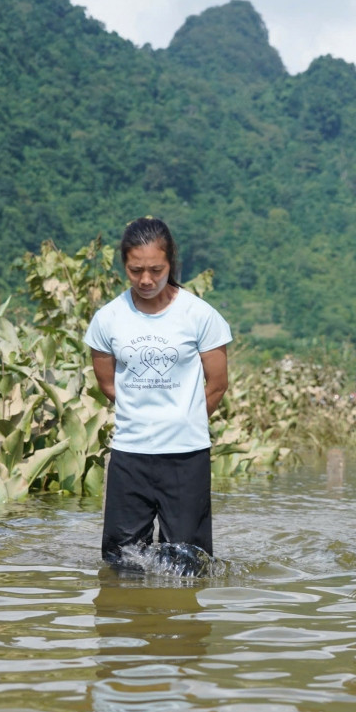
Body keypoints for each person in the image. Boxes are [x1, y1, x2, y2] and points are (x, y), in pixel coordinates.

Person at [84, 217, 232, 567]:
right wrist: (144, 415)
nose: (146, 280)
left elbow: (218, 384)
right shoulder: (108, 319)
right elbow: (108, 384)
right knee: (122, 560)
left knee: (187, 561)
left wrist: (183, 420)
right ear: (125, 265)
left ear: (171, 264)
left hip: (186, 455)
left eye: (156, 269)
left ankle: (182, 621)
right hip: (129, 453)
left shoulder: (199, 315)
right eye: (136, 270)